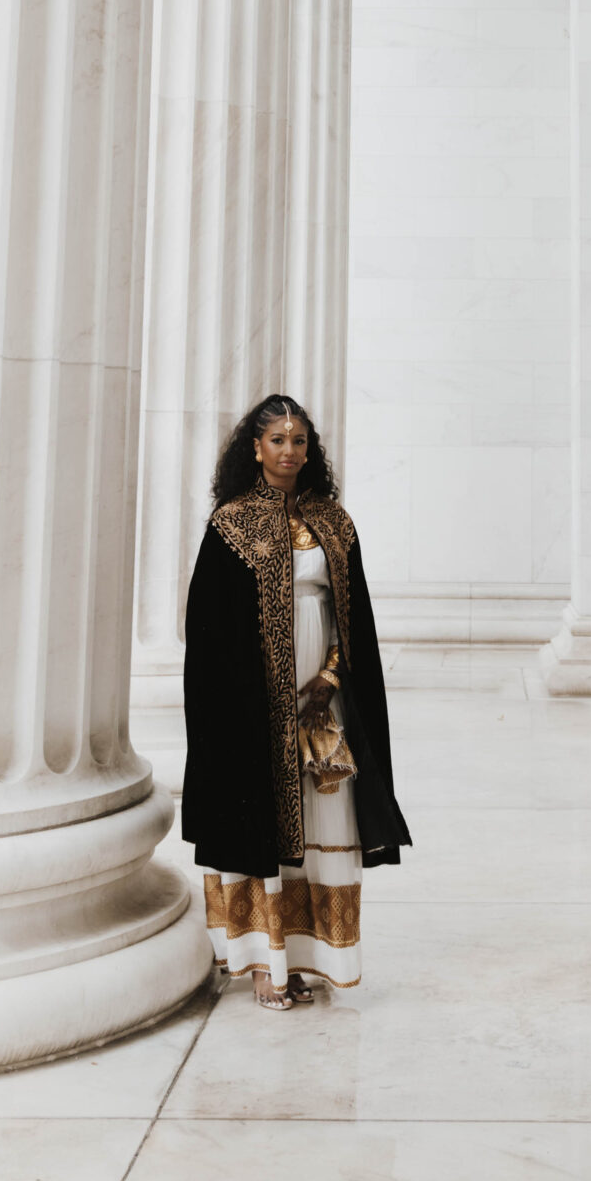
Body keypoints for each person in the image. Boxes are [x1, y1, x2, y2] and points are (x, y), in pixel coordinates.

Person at [180, 394, 409, 1009]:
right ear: (255, 449)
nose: (289, 451)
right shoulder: (231, 524)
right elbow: (208, 631)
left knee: (323, 824)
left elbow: (352, 615)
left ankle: (308, 958)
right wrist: (257, 697)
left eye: (299, 441)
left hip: (324, 702)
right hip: (252, 710)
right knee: (261, 825)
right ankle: (262, 962)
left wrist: (331, 678)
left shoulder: (335, 522)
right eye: (277, 440)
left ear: (312, 450)